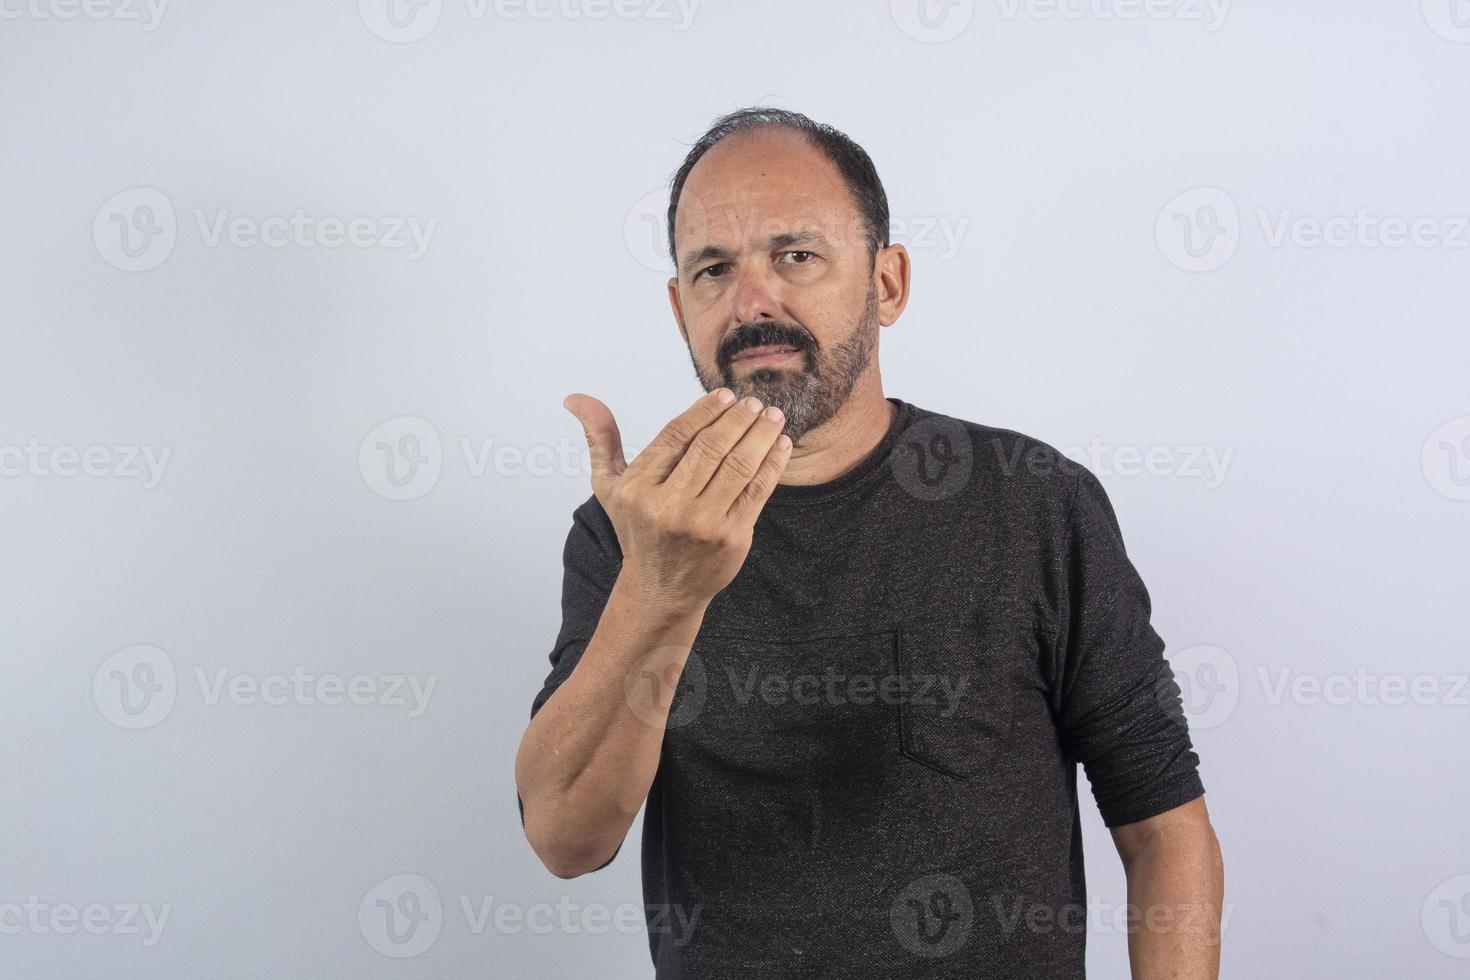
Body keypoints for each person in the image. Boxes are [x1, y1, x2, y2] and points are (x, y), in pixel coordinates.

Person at [514, 107, 1224, 978]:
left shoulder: (1035, 503)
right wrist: (659, 589)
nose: (751, 303)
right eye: (712, 269)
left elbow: (1165, 829)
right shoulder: (628, 534)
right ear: (678, 308)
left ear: (886, 284)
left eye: (796, 256)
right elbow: (566, 839)